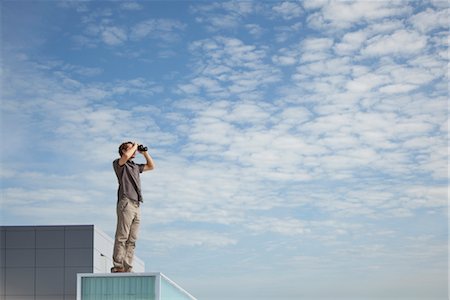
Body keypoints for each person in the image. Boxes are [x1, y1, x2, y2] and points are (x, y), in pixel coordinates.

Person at [111, 141, 155, 273]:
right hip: (126, 202)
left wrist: (145, 153)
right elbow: (124, 157)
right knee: (122, 236)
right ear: (124, 151)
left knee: (132, 238)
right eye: (131, 149)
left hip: (136, 204)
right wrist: (134, 145)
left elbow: (151, 166)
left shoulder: (135, 167)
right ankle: (118, 266)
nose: (134, 150)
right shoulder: (119, 164)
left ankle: (127, 266)